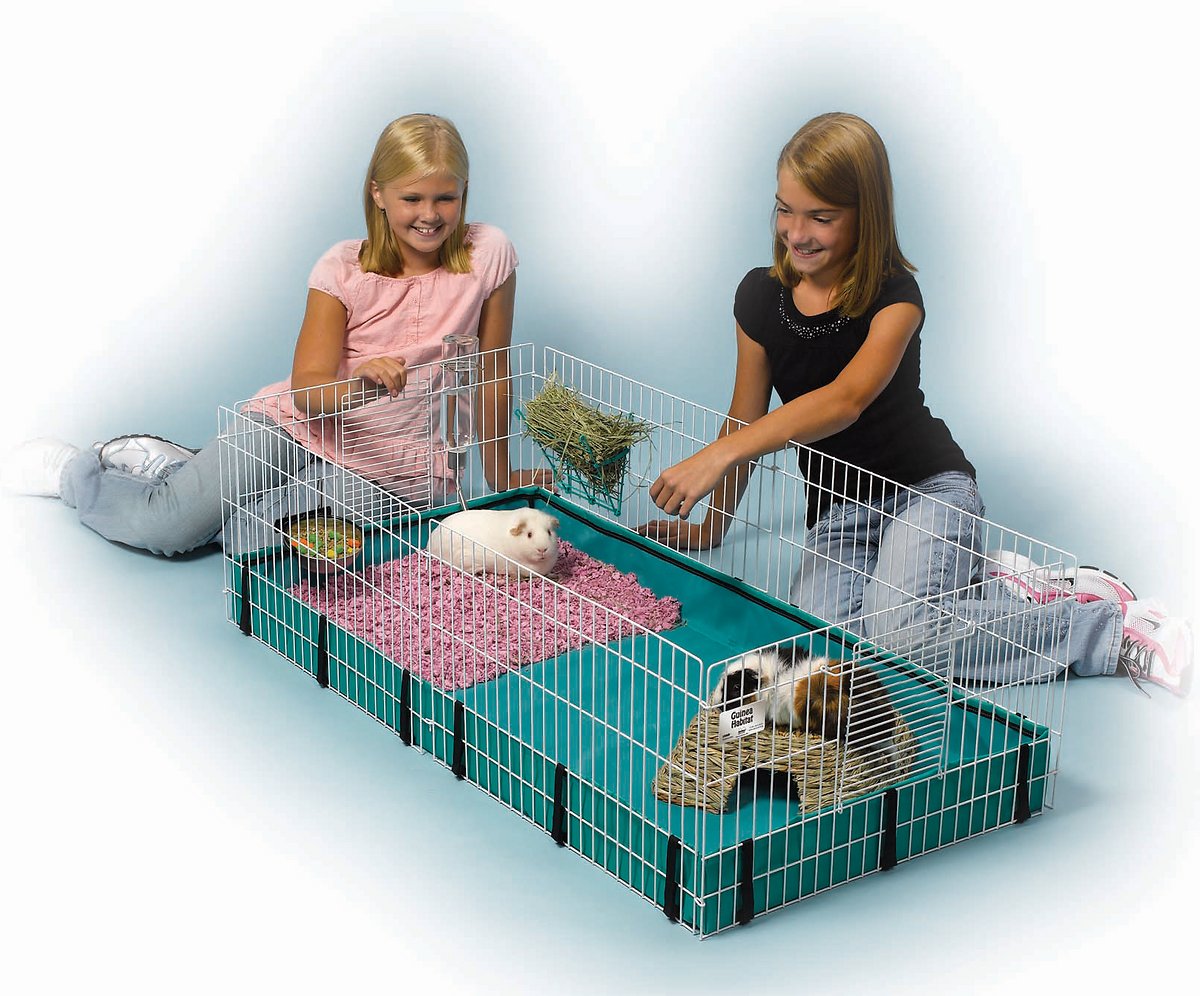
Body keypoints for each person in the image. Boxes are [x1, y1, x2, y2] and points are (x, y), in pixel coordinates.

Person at [640, 112, 1191, 696]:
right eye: (784, 209)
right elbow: (745, 415)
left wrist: (718, 454)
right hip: (838, 514)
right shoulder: (758, 297)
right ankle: (995, 589)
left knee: (902, 633)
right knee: (824, 644)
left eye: (821, 217)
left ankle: (1110, 630)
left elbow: (846, 400)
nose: (796, 233)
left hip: (927, 490)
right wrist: (712, 527)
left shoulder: (895, 297)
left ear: (865, 216)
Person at [4, 113, 544, 557]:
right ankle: (73, 470)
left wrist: (500, 480)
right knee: (168, 528)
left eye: (445, 198)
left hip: (392, 475)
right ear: (378, 194)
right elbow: (308, 390)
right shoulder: (342, 269)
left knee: (247, 542)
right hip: (298, 428)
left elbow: (491, 373)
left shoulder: (488, 254)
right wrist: (361, 386)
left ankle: (185, 471)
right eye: (412, 198)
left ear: (464, 192)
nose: (429, 215)